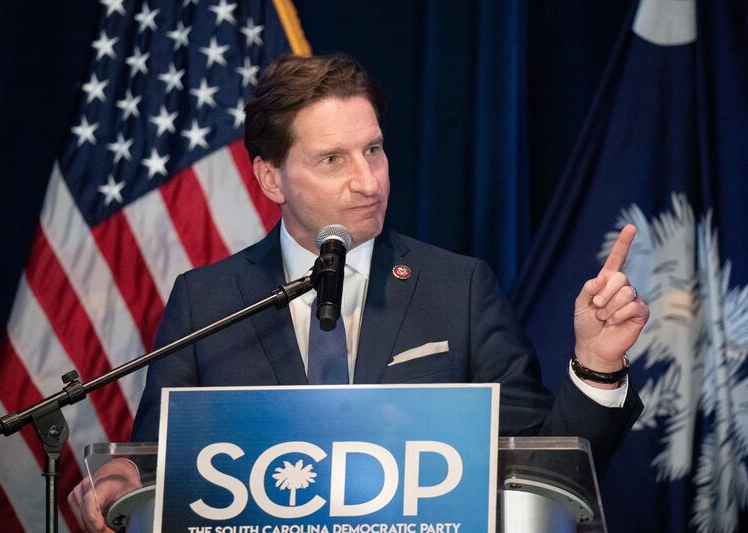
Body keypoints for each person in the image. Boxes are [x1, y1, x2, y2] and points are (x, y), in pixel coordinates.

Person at [69, 53, 649, 532]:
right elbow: (158, 464)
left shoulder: (460, 289)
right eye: (332, 159)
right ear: (271, 178)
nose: (368, 182)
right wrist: (123, 480)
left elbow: (542, 471)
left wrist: (597, 366)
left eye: (373, 149)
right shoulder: (207, 302)